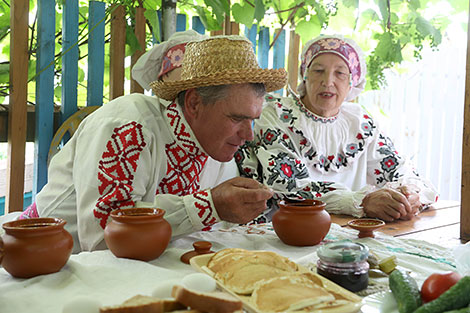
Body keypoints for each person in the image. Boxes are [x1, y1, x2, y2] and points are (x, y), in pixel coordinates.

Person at [20, 34, 287, 253]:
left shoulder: (218, 147)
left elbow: (216, 230)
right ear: (194, 103)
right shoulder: (127, 126)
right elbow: (106, 236)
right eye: (237, 118)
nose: (249, 134)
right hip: (44, 259)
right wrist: (210, 205)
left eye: (253, 120)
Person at [236, 34, 438, 223]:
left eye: (340, 73)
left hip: (349, 234)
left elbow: (402, 171)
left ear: (352, 83)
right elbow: (287, 185)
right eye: (318, 71)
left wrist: (409, 194)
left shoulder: (360, 123)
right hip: (287, 233)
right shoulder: (276, 114)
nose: (328, 81)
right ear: (304, 76)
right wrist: (361, 202)